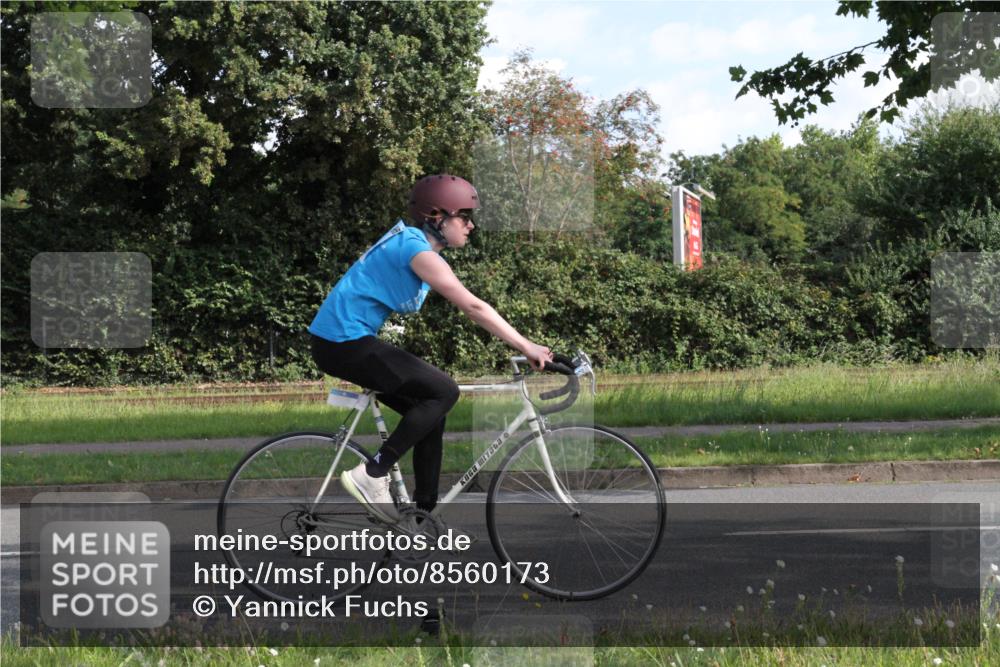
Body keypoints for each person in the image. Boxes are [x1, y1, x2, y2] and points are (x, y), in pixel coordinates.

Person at [308, 174, 553, 523]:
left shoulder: (413, 245)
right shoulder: (415, 250)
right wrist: (527, 345)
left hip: (342, 340)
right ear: (437, 217)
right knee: (444, 391)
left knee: (431, 411)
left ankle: (422, 519)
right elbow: (474, 307)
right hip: (343, 342)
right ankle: (372, 474)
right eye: (464, 217)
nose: (470, 225)